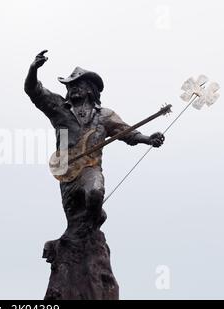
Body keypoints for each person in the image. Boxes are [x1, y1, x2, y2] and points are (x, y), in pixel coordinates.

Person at [24, 50, 165, 229]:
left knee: (95, 193)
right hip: (66, 172)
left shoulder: (105, 116)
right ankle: (83, 240)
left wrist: (147, 139)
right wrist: (33, 69)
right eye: (70, 85)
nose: (72, 88)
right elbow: (33, 90)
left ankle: (94, 228)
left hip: (91, 169)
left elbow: (125, 132)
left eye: (77, 84)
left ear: (90, 89)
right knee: (75, 224)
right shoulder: (59, 109)